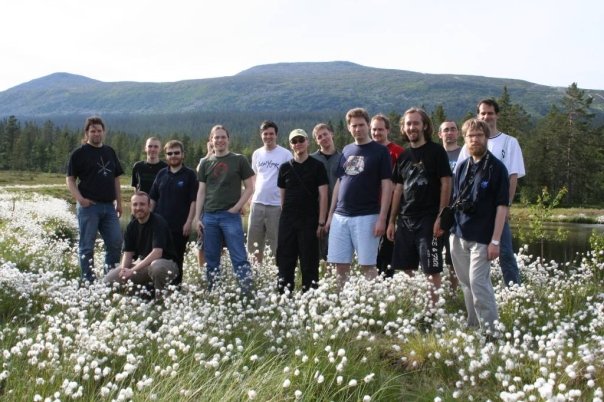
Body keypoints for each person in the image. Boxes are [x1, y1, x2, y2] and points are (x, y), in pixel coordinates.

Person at [456, 99, 525, 286]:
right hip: (473, 215)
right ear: (478, 115)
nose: (486, 116)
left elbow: (513, 177)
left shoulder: (510, 142)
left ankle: (514, 291)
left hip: (497, 209)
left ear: (497, 115)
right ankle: (478, 293)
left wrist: (507, 205)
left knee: (504, 252)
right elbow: (462, 177)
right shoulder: (469, 143)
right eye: (483, 113)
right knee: (471, 257)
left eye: (490, 113)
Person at [387, 108, 452, 303]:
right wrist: (391, 220)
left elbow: (446, 182)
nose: (412, 127)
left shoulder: (436, 151)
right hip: (405, 220)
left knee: (431, 268)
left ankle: (432, 311)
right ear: (403, 128)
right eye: (408, 124)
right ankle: (415, 307)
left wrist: (441, 215)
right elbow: (398, 189)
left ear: (424, 126)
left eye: (416, 123)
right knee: (407, 268)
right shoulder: (404, 156)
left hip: (429, 219)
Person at [450, 118, 509, 331]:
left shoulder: (497, 168)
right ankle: (473, 325)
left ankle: (491, 332)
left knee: (479, 284)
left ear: (486, 138)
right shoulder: (463, 166)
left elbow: (502, 207)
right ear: (464, 139)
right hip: (458, 233)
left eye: (479, 135)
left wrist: (495, 240)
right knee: (466, 284)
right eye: (470, 136)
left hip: (483, 238)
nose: (474, 140)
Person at [325, 108, 392, 289]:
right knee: (340, 265)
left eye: (361, 125)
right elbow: (340, 182)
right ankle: (341, 305)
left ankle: (372, 305)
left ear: (368, 125)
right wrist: (331, 214)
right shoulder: (347, 150)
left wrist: (382, 218)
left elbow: (387, 185)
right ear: (349, 128)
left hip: (367, 216)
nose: (358, 129)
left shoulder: (380, 151)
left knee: (367, 266)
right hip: (341, 216)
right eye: (354, 126)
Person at [195, 125, 255, 293]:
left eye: (223, 137)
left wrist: (236, 207)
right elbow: (201, 192)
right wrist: (197, 218)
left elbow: (250, 187)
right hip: (209, 217)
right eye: (216, 137)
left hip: (230, 217)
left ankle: (247, 294)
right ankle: (214, 294)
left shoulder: (239, 160)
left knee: (239, 258)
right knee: (212, 259)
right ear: (211, 141)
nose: (220, 140)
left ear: (228, 139)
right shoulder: (206, 163)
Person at [66, 116, 123, 282]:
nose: (96, 133)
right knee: (86, 247)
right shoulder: (78, 154)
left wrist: (119, 203)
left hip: (109, 207)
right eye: (93, 131)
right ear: (87, 133)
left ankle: (109, 279)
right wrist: (80, 199)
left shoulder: (110, 151)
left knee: (115, 243)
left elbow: (116, 179)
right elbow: (70, 179)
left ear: (103, 132)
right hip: (89, 207)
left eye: (99, 130)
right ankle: (87, 281)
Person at [276, 129, 328, 293]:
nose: (298, 143)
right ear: (290, 145)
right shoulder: (284, 168)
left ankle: (310, 297)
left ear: (307, 142)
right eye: (294, 141)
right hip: (288, 220)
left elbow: (324, 196)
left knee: (309, 262)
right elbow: (282, 198)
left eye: (301, 140)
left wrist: (321, 221)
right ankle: (284, 296)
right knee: (285, 260)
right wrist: (286, 218)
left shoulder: (318, 166)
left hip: (309, 220)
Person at [105, 192, 178, 296]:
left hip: (166, 264)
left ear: (149, 206)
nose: (138, 207)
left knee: (157, 268)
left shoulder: (158, 222)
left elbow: (157, 253)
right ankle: (138, 298)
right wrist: (123, 270)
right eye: (135, 204)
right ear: (131, 207)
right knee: (110, 279)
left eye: (142, 204)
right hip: (143, 265)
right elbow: (128, 253)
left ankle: (162, 302)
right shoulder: (131, 226)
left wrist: (132, 270)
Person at [149, 140, 198, 286]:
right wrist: (149, 221)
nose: (173, 156)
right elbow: (153, 198)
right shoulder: (161, 173)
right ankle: (156, 288)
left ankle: (176, 290)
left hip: (180, 227)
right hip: (159, 226)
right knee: (155, 258)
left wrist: (189, 221)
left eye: (176, 153)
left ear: (183, 155)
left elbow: (193, 201)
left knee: (177, 259)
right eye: (170, 153)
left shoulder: (189, 175)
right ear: (166, 156)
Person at [247, 120, 292, 263]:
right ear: (261, 135)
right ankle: (256, 275)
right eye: (265, 134)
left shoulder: (285, 154)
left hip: (276, 205)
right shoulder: (256, 154)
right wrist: (250, 197)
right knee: (254, 244)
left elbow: (290, 181)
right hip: (257, 204)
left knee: (277, 244)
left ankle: (280, 276)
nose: (268, 137)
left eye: (271, 134)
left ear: (276, 135)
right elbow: (254, 176)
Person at [370, 114, 404, 278]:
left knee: (387, 246)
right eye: (374, 129)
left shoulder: (398, 152)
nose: (376, 133)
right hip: (369, 206)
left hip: (390, 207)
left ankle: (387, 278)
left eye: (380, 129)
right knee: (370, 248)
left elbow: (401, 183)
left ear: (388, 130)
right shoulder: (367, 151)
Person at [310, 123, 341, 261]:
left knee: (335, 250)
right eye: (319, 137)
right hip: (315, 210)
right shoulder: (311, 160)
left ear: (332, 134)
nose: (323, 138)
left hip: (339, 209)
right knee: (315, 249)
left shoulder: (343, 158)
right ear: (316, 141)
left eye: (325, 134)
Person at [437, 120, 461, 290]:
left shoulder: (465, 153)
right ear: (440, 134)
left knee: (454, 257)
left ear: (458, 133)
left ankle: (454, 293)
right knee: (433, 254)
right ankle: (435, 293)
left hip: (458, 213)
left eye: (453, 129)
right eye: (446, 130)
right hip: (436, 211)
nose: (450, 133)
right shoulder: (436, 154)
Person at [195, 141, 214, 268]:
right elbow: (198, 171)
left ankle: (217, 270)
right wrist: (209, 154)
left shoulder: (229, 159)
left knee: (220, 243)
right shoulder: (204, 161)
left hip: (221, 207)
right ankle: (202, 270)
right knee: (202, 242)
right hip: (205, 208)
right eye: (213, 140)